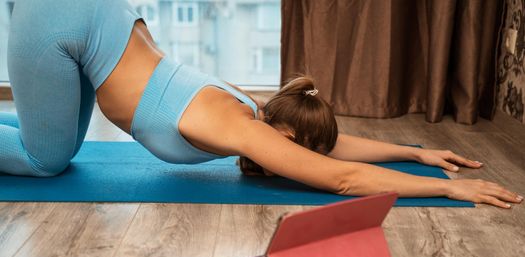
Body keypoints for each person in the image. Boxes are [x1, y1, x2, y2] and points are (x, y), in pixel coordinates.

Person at [0, 0, 521, 209]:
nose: (293, 166)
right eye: (296, 156)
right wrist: (452, 190)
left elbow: (330, 150)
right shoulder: (247, 130)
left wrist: (416, 153)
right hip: (61, 24)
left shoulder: (257, 108)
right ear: (284, 136)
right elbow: (340, 177)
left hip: (99, 21)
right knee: (45, 161)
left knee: (58, 144)